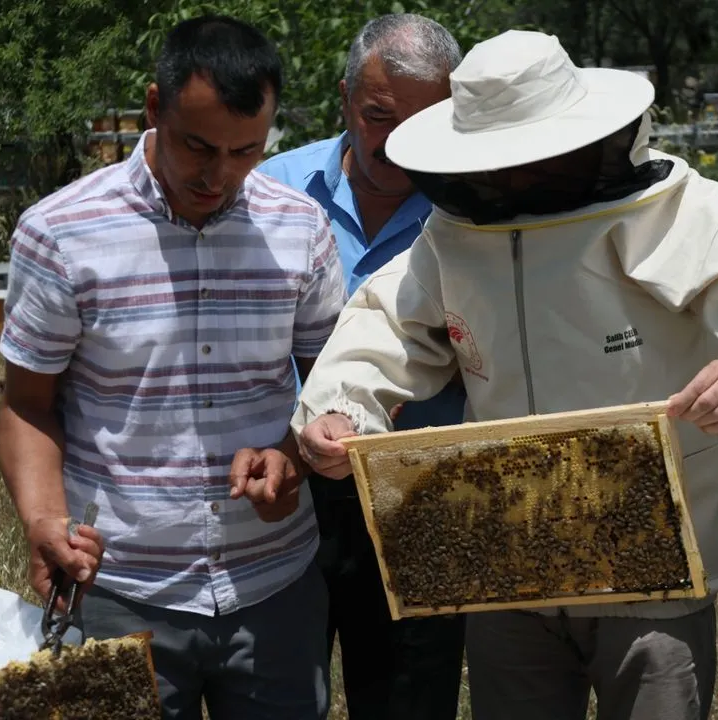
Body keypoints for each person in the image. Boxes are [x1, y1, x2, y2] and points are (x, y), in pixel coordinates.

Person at [283, 29, 718, 720]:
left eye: (526, 158)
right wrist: (341, 406)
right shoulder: (460, 229)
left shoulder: (673, 210)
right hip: (506, 561)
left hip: (653, 567)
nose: (510, 176)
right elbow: (384, 321)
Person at [0, 15, 346, 720]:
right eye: (198, 147)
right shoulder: (61, 232)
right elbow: (27, 404)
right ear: (153, 108)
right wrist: (43, 518)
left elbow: (337, 382)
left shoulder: (299, 227)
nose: (219, 176)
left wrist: (292, 456)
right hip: (123, 590)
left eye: (246, 151)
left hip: (274, 583)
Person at [257, 14, 467, 720]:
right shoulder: (269, 192)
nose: (397, 141)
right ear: (346, 96)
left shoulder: (472, 209)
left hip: (423, 491)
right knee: (280, 688)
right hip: (287, 486)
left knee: (410, 694)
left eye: (424, 120)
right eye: (378, 116)